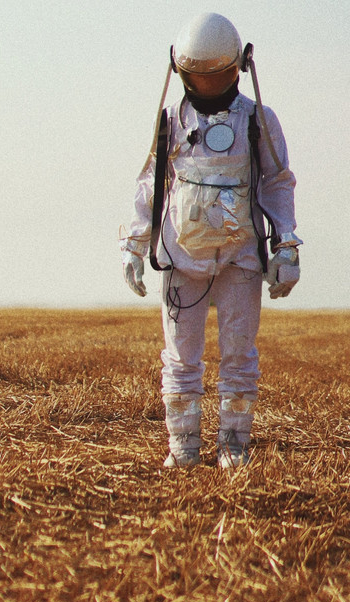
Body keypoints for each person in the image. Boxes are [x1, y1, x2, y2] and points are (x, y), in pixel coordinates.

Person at [120, 12, 302, 469]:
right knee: (180, 359)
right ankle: (182, 447)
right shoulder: (170, 120)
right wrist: (134, 244)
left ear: (238, 67)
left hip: (240, 258)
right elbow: (152, 183)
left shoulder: (257, 120)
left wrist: (286, 246)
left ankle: (234, 446)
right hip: (182, 257)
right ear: (180, 71)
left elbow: (277, 182)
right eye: (197, 77)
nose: (206, 85)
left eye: (215, 76)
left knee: (239, 356)